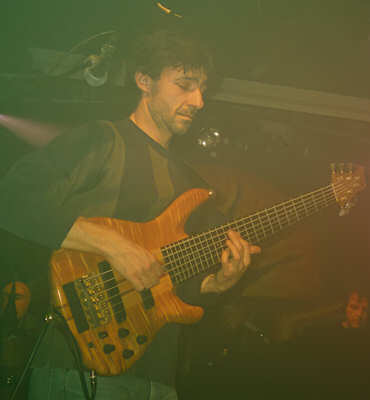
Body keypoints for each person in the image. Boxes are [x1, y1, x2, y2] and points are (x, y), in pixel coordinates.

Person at [0, 28, 260, 399]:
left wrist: (215, 285)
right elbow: (12, 199)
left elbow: (170, 283)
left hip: (159, 377)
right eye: (184, 85)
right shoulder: (101, 140)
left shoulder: (192, 183)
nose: (199, 100)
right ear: (143, 81)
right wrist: (113, 244)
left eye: (203, 89)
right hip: (77, 367)